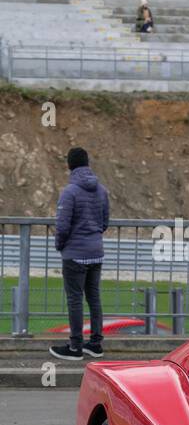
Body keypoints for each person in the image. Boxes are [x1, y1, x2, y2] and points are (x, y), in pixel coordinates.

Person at [50, 148, 111, 361]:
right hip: (96, 252)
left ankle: (75, 346)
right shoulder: (101, 190)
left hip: (75, 254)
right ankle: (95, 344)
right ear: (87, 163)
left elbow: (62, 226)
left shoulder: (70, 192)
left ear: (70, 165)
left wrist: (60, 246)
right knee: (94, 297)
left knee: (75, 299)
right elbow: (104, 222)